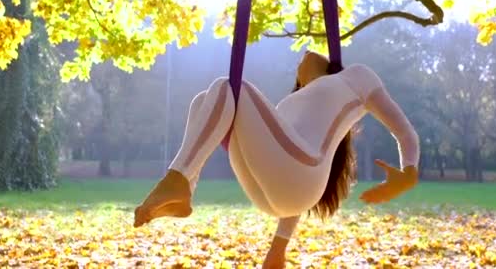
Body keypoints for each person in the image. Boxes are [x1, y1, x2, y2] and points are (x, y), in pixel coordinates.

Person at [133, 51, 420, 268]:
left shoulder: (356, 77)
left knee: (228, 87)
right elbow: (285, 168)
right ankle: (184, 189)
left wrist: (409, 171)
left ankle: (178, 180)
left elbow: (405, 132)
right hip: (278, 191)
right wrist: (278, 248)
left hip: (304, 175)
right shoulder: (287, 107)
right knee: (203, 101)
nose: (304, 54)